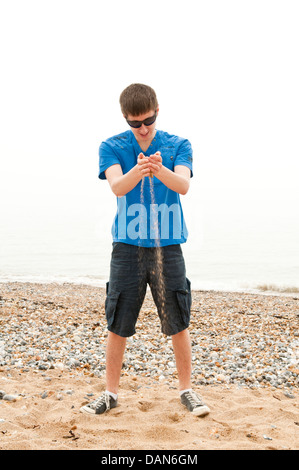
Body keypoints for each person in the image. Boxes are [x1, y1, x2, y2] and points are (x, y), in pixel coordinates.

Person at [80, 83, 210, 417]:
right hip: (127, 247)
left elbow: (183, 185)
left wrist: (158, 168)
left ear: (156, 111)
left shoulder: (178, 144)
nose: (143, 128)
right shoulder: (111, 146)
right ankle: (110, 393)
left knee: (178, 321)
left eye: (148, 120)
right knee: (118, 321)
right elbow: (117, 187)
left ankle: (187, 389)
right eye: (135, 123)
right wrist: (138, 170)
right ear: (125, 118)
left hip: (168, 246)